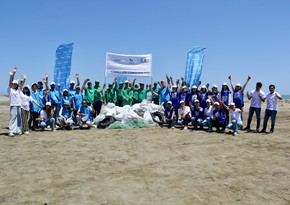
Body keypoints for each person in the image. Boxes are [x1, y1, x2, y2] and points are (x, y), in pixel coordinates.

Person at [7, 68, 22, 137]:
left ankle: (18, 130)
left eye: (16, 84)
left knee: (19, 117)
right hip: (13, 105)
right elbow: (10, 83)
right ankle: (11, 131)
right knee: (13, 117)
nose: (15, 85)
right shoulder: (10, 90)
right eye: (14, 84)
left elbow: (20, 85)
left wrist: (20, 79)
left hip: (18, 105)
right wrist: (12, 75)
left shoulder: (18, 90)